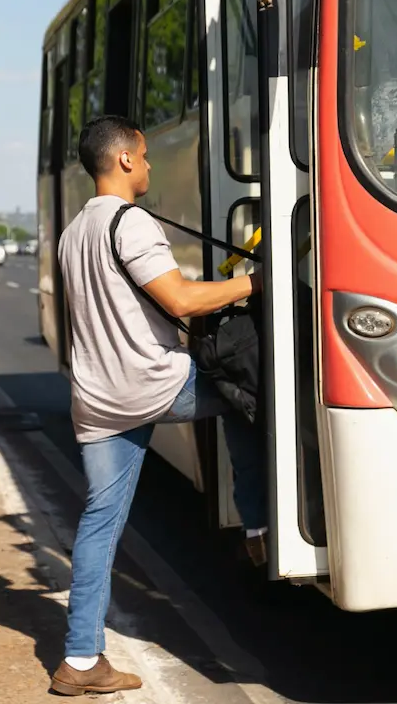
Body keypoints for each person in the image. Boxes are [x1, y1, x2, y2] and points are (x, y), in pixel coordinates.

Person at [51, 114, 267, 697]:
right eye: (143, 157)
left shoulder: (75, 231)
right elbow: (182, 299)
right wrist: (254, 284)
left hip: (97, 401)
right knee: (242, 390)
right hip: (154, 386)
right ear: (124, 160)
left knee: (99, 524)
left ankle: (79, 659)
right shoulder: (132, 222)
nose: (147, 166)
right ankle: (259, 523)